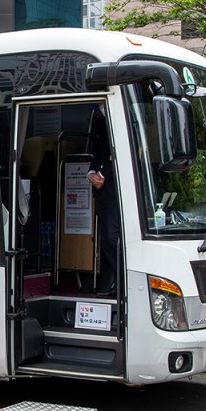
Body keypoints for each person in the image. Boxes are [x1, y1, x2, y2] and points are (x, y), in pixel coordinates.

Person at [87, 107, 119, 298]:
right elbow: (97, 149)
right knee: (106, 237)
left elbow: (123, 146)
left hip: (115, 186)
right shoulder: (98, 115)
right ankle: (116, 277)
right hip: (102, 189)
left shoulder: (120, 108)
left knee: (111, 236)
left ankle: (121, 277)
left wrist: (103, 173)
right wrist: (90, 172)